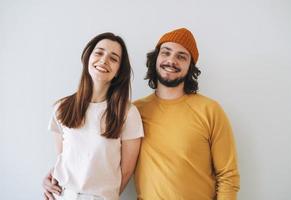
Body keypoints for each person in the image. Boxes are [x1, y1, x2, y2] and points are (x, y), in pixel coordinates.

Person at [133, 28, 240, 200]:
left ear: (190, 67)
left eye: (181, 56)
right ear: (155, 58)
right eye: (166, 53)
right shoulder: (134, 111)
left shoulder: (210, 110)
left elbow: (228, 176)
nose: (171, 60)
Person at [43, 32, 144, 200]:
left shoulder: (127, 113)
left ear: (119, 71)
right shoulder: (62, 108)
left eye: (113, 58)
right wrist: (50, 181)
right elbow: (64, 159)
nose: (104, 60)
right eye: (99, 52)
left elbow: (126, 171)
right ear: (88, 57)